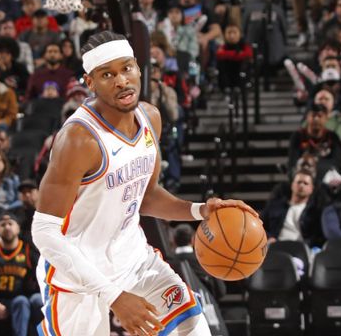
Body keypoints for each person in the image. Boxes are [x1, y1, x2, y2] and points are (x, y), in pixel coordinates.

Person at [32, 30, 254, 335]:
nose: (122, 80)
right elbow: (43, 232)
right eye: (107, 74)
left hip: (134, 260)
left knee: (194, 328)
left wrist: (199, 210)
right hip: (77, 276)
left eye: (126, 68)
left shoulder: (150, 118)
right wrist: (114, 296)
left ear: (138, 68)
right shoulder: (78, 140)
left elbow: (145, 197)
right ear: (90, 83)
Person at [0, 212, 42, 336]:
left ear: (18, 228)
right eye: (2, 224)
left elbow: (40, 277)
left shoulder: (28, 251)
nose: (7, 227)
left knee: (24, 300)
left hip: (21, 299)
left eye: (10, 223)